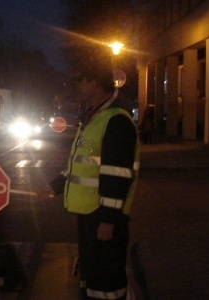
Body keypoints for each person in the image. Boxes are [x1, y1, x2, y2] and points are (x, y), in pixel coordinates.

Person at [53, 67, 140, 300]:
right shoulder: (94, 117)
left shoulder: (116, 121)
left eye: (80, 81)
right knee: (92, 279)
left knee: (106, 283)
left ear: (94, 83)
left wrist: (108, 219)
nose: (77, 88)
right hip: (90, 215)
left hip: (102, 218)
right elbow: (82, 164)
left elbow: (118, 173)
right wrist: (54, 187)